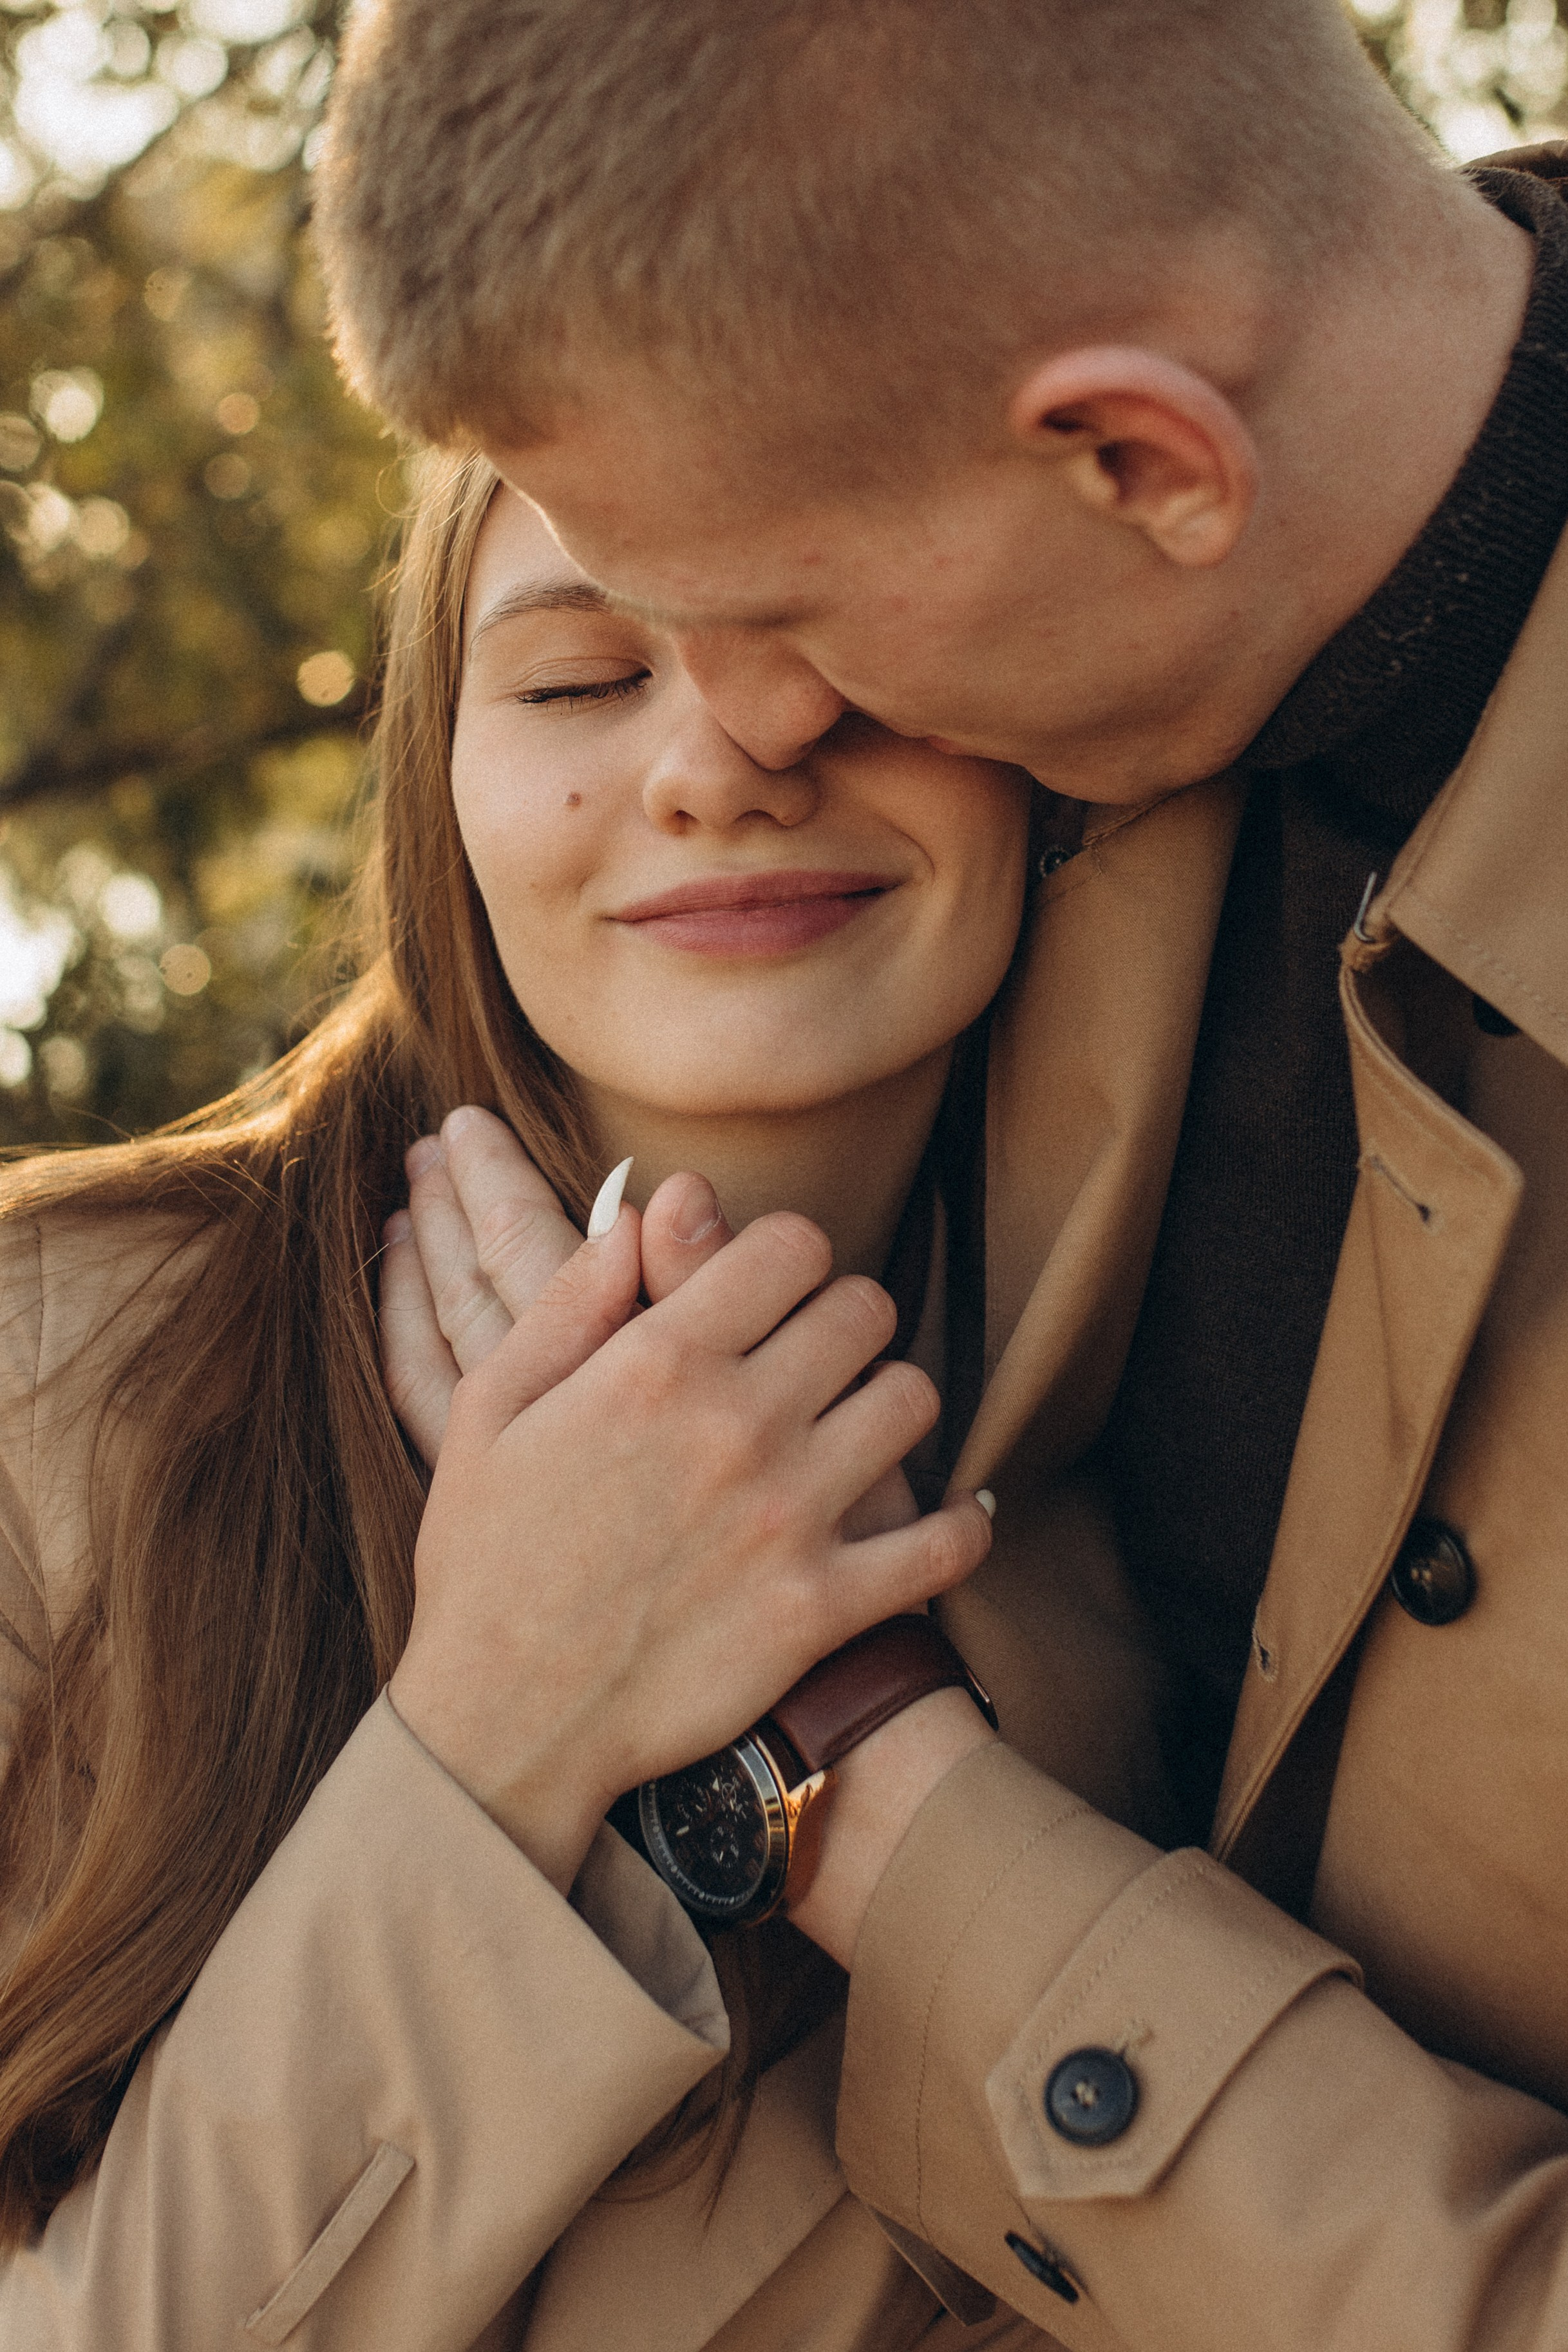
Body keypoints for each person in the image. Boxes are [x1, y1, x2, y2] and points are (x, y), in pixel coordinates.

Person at [307, 0, 1568, 2346]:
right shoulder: (1097, 703)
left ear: (1139, 458)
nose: (750, 740)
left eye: (777, 619)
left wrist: (849, 1788)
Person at [0, 448, 1182, 2344]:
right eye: (576, 679)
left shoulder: (1218, 1506)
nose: (722, 761)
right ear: (436, 771)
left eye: (828, 644)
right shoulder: (50, 1370)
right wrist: (507, 1720)